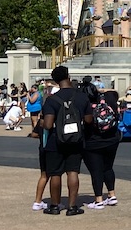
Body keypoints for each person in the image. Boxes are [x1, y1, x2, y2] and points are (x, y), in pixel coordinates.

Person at [40, 66, 93, 216]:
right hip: (75, 140)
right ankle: (72, 206)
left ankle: (55, 205)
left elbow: (48, 124)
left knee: (55, 173)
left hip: (55, 140)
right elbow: (89, 120)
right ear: (68, 76)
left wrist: (41, 123)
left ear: (55, 81)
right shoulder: (81, 97)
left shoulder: (51, 100)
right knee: (73, 171)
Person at [82, 83, 123, 208]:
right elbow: (116, 93)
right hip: (111, 139)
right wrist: (102, 90)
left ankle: (98, 199)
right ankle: (112, 195)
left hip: (93, 141)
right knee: (108, 167)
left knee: (96, 171)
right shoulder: (109, 98)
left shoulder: (85, 103)